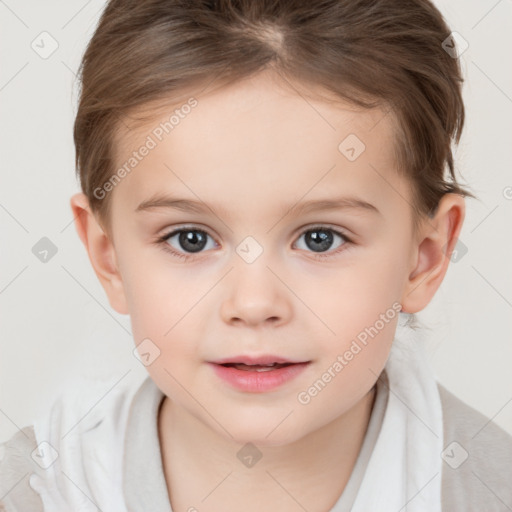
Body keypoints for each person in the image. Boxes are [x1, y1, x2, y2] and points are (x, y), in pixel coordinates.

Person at [1, 0, 511, 511]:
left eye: (320, 238)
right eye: (190, 239)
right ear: (107, 255)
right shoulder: (32, 492)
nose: (253, 303)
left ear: (424, 256)